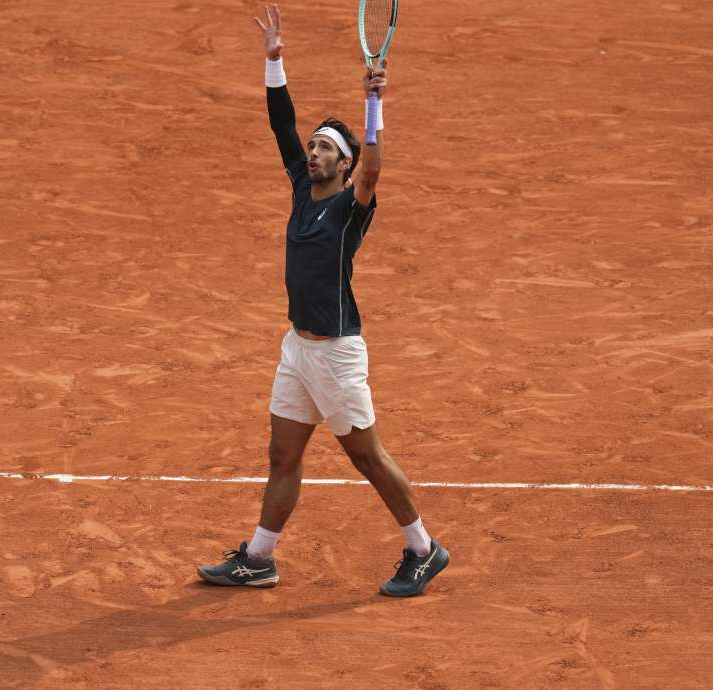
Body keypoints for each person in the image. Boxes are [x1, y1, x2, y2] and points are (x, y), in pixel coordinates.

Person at [197, 4, 450, 597]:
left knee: (366, 456)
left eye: (325, 149)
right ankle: (260, 557)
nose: (311, 153)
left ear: (345, 165)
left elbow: (375, 171)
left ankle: (423, 548)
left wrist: (373, 103)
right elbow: (280, 123)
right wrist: (275, 63)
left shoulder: (348, 209)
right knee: (283, 455)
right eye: (311, 147)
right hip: (297, 350)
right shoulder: (300, 190)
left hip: (336, 353)